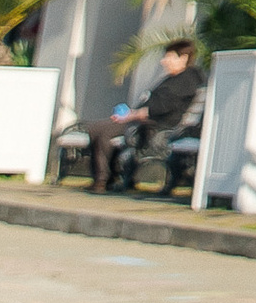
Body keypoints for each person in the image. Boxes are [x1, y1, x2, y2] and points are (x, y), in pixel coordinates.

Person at [85, 35, 203, 193]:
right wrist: (130, 114)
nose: (164, 61)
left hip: (155, 127)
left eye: (169, 57)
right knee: (94, 129)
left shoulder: (185, 81)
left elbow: (160, 108)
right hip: (141, 122)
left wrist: (130, 116)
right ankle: (106, 177)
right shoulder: (173, 79)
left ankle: (103, 179)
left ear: (183, 58)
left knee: (103, 132)